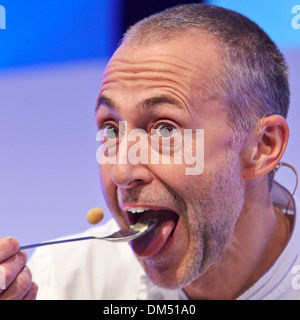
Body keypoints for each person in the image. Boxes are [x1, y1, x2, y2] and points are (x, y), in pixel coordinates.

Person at [0, 3, 299, 300]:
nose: (121, 172)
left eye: (165, 129)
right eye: (112, 130)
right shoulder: (63, 281)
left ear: (263, 147)